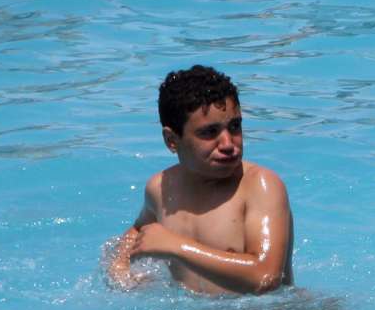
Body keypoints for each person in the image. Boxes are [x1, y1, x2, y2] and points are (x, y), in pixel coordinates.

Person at [106, 66, 294, 296]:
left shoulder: (259, 186)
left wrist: (177, 247)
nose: (227, 143)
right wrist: (120, 267)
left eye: (235, 126)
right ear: (172, 140)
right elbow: (138, 230)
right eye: (209, 132)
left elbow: (266, 276)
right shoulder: (161, 188)